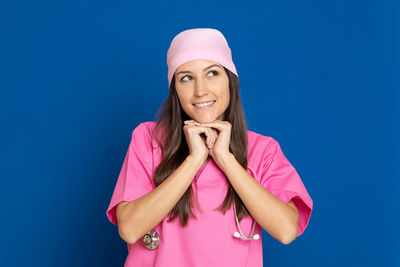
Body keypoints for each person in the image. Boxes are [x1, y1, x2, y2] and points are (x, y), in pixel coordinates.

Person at [106, 28, 313, 267]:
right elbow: (130, 229)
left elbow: (286, 230)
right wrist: (194, 159)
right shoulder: (148, 139)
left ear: (230, 81)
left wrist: (225, 158)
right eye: (186, 77)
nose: (201, 90)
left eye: (212, 73)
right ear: (175, 89)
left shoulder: (262, 150)